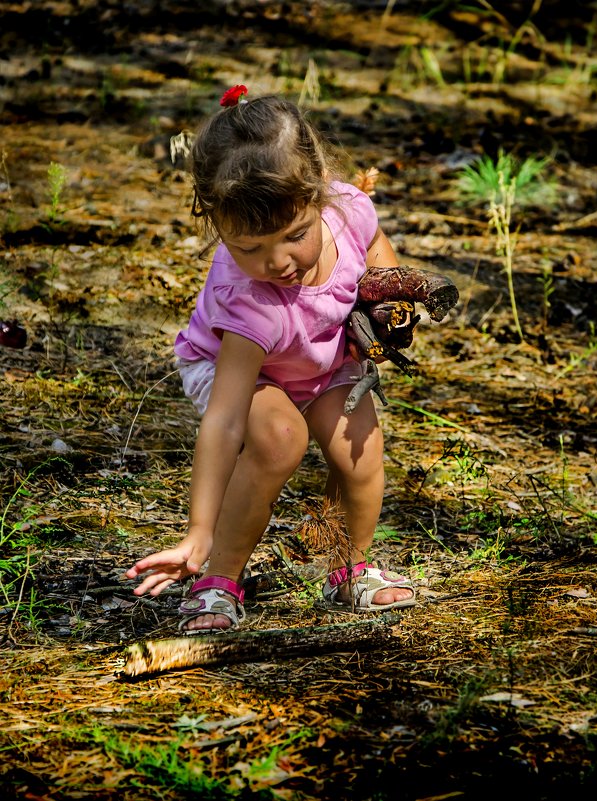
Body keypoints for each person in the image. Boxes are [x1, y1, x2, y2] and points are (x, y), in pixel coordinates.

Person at [126, 87, 416, 633]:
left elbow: (374, 246)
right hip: (236, 368)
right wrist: (198, 529)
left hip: (321, 354)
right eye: (249, 248)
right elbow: (226, 419)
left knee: (361, 450)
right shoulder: (250, 301)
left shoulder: (349, 208)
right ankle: (219, 579)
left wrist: (385, 299)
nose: (278, 262)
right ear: (214, 220)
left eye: (295, 236)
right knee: (279, 438)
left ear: (317, 196)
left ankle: (349, 566)